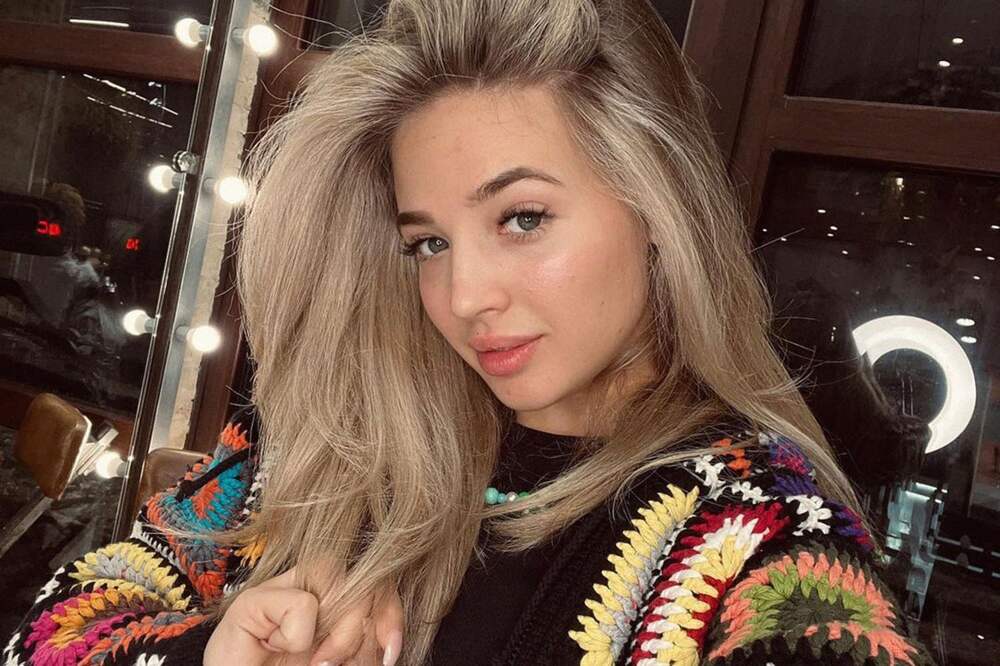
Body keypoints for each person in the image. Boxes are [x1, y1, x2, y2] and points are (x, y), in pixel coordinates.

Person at [4, 1, 936, 664]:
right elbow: (49, 632)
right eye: (429, 242)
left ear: (657, 207)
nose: (463, 296)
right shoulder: (329, 436)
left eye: (522, 218)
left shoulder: (758, 521)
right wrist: (213, 649)